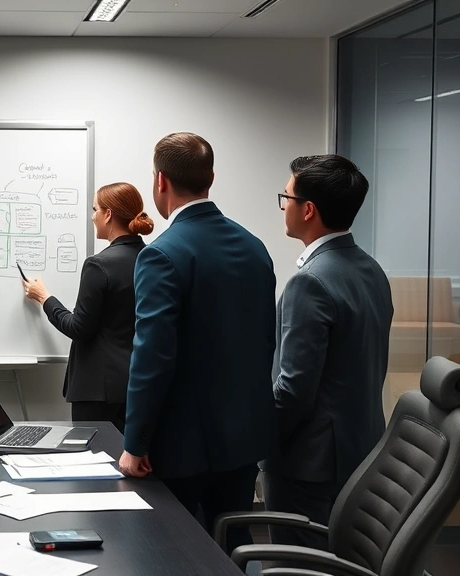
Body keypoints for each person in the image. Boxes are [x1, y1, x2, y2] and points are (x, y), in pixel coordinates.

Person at [119, 133, 278, 552]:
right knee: (233, 549)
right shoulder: (255, 247)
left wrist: (135, 443)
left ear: (160, 182)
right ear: (211, 178)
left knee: (169, 551)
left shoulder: (161, 254)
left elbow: (152, 357)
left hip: (181, 447)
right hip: (244, 440)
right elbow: (264, 342)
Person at [261, 155, 393, 549]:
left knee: (297, 566)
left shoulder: (311, 282)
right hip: (362, 452)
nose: (284, 207)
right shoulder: (371, 269)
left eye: (286, 197)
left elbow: (292, 391)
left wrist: (257, 441)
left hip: (309, 467)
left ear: (308, 210)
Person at [22, 182, 153, 433]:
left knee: (93, 462)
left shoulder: (99, 265)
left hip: (97, 391)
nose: (93, 217)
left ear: (108, 214)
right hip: (136, 384)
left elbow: (78, 327)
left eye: (95, 209)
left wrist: (44, 297)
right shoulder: (151, 258)